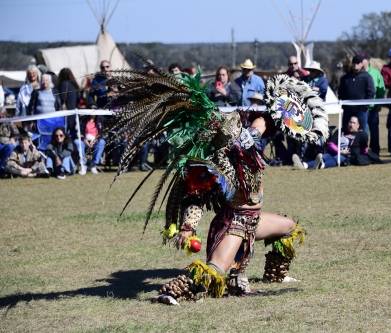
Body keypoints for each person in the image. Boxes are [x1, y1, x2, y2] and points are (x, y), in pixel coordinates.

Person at [107, 68, 328, 304]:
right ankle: (170, 293)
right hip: (233, 224)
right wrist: (187, 227)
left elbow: (264, 121)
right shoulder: (214, 163)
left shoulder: (248, 136)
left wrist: (270, 122)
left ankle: (274, 275)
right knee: (213, 271)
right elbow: (196, 196)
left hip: (253, 219)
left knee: (289, 228)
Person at [338, 54, 375, 132]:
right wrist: (344, 105)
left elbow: (371, 92)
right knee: (346, 130)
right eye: (354, 62)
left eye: (358, 63)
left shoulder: (367, 77)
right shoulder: (345, 78)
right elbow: (341, 92)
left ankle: (362, 144)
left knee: (362, 132)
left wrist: (365, 106)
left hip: (361, 111)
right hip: (348, 109)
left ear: (361, 64)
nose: (356, 65)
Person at [363, 55, 386, 155]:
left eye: (362, 61)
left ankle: (375, 152)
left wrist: (379, 103)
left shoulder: (375, 73)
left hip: (374, 107)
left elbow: (381, 89)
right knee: (364, 131)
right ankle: (364, 151)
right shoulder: (359, 74)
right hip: (362, 108)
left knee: (374, 131)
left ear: (367, 61)